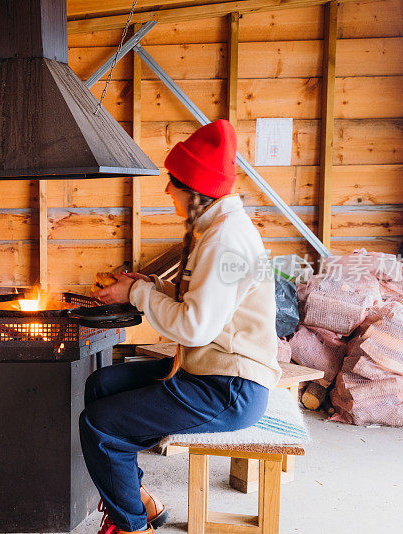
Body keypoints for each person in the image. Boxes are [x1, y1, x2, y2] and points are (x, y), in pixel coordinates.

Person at [82, 120, 282, 534]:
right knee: (101, 386)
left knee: (99, 425)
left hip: (229, 387)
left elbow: (194, 328)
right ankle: (139, 500)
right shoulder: (215, 230)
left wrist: (134, 297)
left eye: (173, 182)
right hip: (208, 373)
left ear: (195, 191)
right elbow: (203, 302)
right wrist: (149, 285)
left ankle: (131, 526)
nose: (166, 190)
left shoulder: (224, 240)